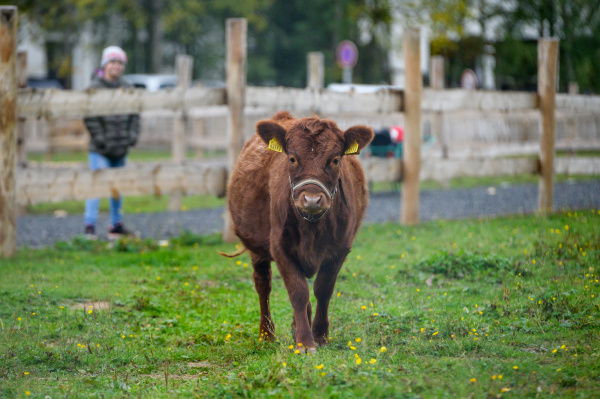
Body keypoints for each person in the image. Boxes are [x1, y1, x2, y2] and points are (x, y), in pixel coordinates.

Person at [83, 46, 140, 239]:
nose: (116, 66)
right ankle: (89, 225)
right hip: (100, 149)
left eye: (120, 63)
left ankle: (116, 225)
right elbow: (90, 117)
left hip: (121, 148)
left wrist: (131, 137)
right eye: (113, 62)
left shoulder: (127, 88)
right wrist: (101, 140)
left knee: (117, 187)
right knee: (97, 185)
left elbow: (134, 114)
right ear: (105, 64)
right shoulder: (95, 88)